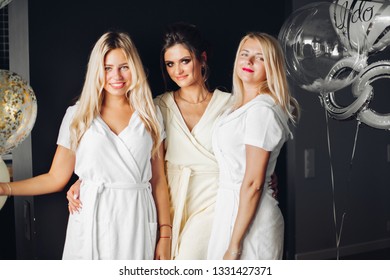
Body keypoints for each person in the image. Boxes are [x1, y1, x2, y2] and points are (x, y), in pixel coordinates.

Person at [67, 23, 278, 260]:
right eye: (170, 64)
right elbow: (136, 153)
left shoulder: (230, 106)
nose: (177, 70)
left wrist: (268, 175)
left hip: (213, 199)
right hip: (172, 200)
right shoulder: (157, 107)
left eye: (184, 61)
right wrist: (83, 180)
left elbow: (251, 151)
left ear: (202, 59)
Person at [0, 31, 171, 260]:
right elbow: (55, 178)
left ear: (135, 68)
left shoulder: (151, 114)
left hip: (137, 217)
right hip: (92, 216)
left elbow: (158, 180)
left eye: (124, 66)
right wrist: (6, 189)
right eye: (107, 68)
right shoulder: (78, 115)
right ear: (96, 71)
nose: (116, 76)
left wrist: (165, 236)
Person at [207, 32, 299, 260]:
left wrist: (234, 246)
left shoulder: (262, 110)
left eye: (260, 58)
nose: (248, 62)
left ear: (272, 66)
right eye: (245, 54)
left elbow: (253, 183)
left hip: (252, 217)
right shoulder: (236, 107)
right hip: (230, 207)